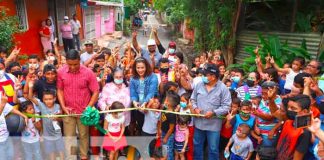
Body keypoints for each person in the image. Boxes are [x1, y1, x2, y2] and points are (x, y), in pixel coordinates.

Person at [57, 49, 99, 160]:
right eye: (69, 64)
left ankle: (84, 156)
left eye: (75, 64)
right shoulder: (61, 72)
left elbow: (95, 91)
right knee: (69, 137)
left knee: (84, 135)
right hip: (68, 111)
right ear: (66, 62)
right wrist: (63, 106)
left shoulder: (88, 73)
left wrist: (89, 107)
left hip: (83, 112)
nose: (72, 67)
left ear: (79, 61)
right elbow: (60, 90)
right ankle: (71, 157)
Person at [191, 63, 231, 160]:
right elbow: (192, 99)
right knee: (197, 145)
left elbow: (227, 106)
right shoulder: (199, 85)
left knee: (213, 148)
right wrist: (195, 108)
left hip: (213, 125)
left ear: (213, 77)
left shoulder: (223, 89)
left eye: (206, 75)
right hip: (199, 123)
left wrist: (214, 112)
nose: (203, 77)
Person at [28, 83, 65, 160]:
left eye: (50, 99)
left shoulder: (58, 106)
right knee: (51, 152)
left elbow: (62, 119)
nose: (48, 101)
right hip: (47, 136)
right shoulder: (42, 105)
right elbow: (30, 97)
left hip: (58, 135)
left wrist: (57, 118)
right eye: (46, 99)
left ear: (54, 99)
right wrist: (31, 86)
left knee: (61, 151)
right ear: (43, 100)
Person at [130, 57, 158, 135]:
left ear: (146, 67)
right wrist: (134, 101)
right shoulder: (133, 78)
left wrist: (145, 102)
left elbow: (151, 92)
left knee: (150, 128)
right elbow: (133, 93)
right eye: (138, 68)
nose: (140, 70)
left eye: (142, 67)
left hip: (150, 106)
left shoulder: (153, 77)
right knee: (140, 124)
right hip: (139, 107)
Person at [98, 68, 131, 132]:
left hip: (124, 119)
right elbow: (101, 101)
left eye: (120, 77)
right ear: (113, 77)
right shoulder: (107, 87)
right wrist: (106, 107)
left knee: (123, 137)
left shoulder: (127, 87)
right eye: (116, 77)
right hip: (111, 120)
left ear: (123, 76)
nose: (118, 78)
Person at [0, 94, 28, 160]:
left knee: (10, 155)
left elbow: (11, 109)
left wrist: (24, 116)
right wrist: (2, 104)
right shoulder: (2, 103)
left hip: (6, 138)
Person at [157, 91, 180, 160]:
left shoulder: (172, 114)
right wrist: (159, 129)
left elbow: (171, 129)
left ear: (168, 103)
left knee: (168, 151)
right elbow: (161, 118)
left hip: (169, 135)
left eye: (166, 99)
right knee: (164, 150)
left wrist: (166, 138)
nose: (164, 101)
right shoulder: (164, 108)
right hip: (163, 132)